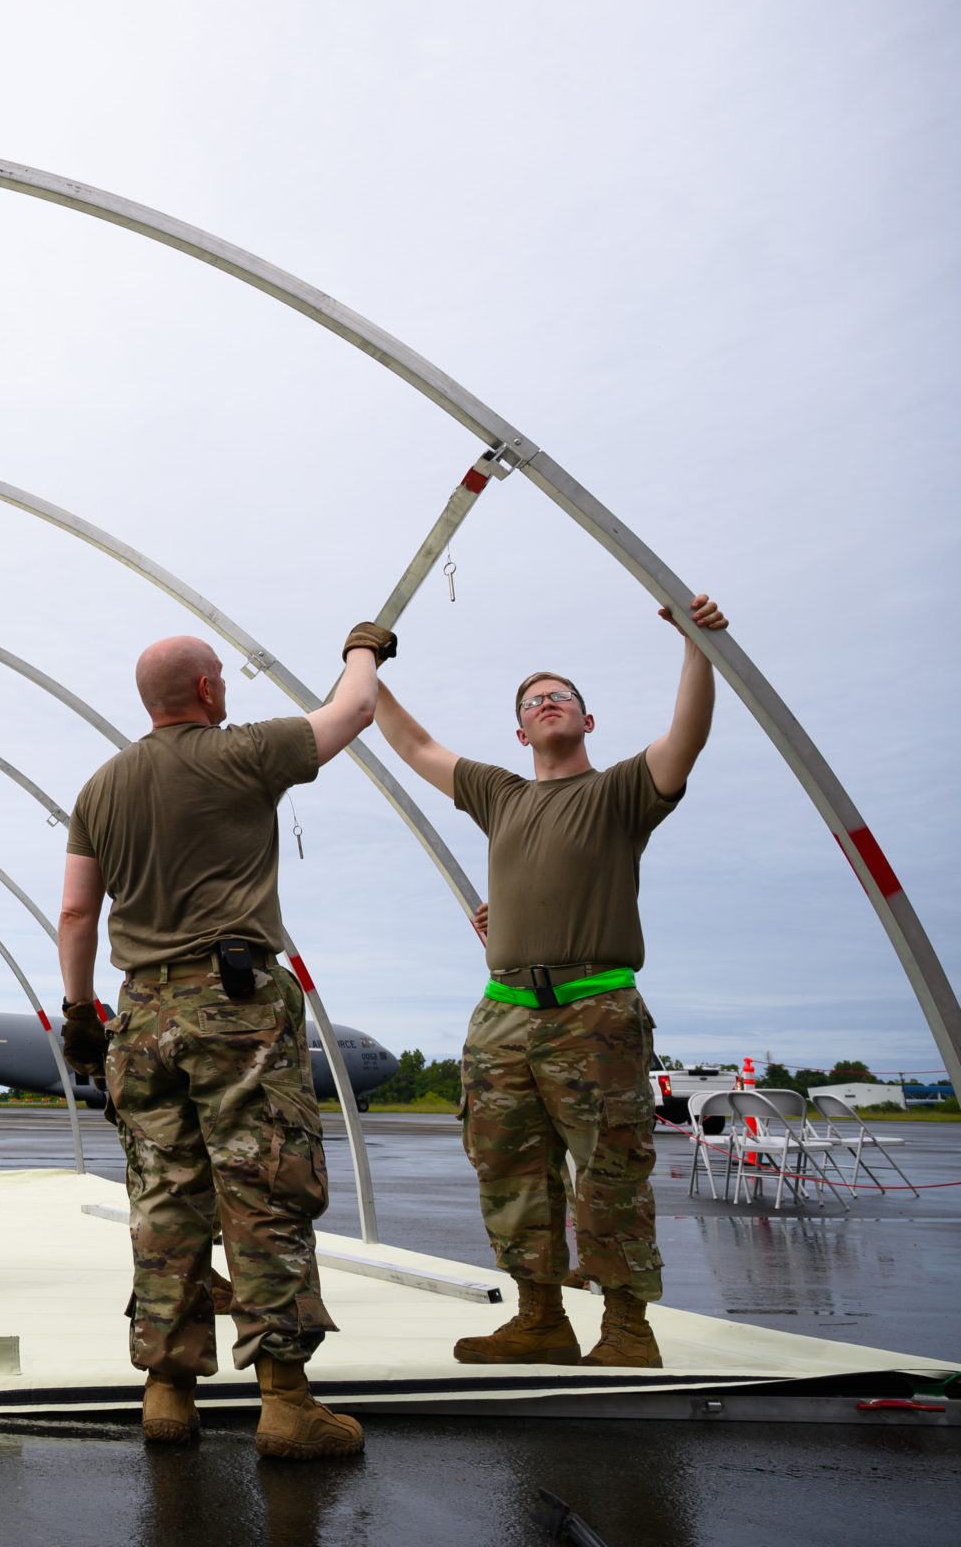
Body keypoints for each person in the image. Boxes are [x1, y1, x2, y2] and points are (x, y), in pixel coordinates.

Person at [56, 625, 389, 1458]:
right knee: (263, 1191)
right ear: (208, 690)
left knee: (165, 1201)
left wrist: (80, 1012)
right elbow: (352, 712)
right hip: (233, 1006)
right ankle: (285, 1401)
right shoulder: (243, 752)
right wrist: (362, 648)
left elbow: (75, 912)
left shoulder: (100, 786)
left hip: (137, 1013)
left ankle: (167, 1393)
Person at [371, 596, 727, 1370]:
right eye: (532, 701)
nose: (546, 702)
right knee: (508, 1168)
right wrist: (365, 667)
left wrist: (698, 648)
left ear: (587, 721)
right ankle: (540, 1317)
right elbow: (415, 743)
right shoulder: (501, 794)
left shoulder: (622, 791)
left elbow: (686, 738)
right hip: (503, 1011)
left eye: (560, 694)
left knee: (610, 1171)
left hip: (593, 1007)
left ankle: (627, 1328)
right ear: (520, 730)